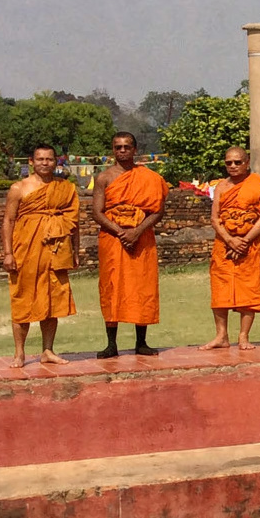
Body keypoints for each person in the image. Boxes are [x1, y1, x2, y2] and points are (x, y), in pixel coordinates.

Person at [2, 143, 82, 367]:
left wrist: (75, 250)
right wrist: (8, 253)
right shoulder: (19, 188)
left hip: (56, 250)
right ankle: (19, 353)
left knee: (52, 300)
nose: (45, 163)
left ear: (56, 161)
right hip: (25, 249)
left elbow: (74, 222)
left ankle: (48, 350)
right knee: (22, 299)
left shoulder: (65, 188)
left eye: (49, 159)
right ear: (31, 162)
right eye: (40, 159)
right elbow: (8, 221)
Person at [91, 131, 166, 358]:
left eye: (126, 147)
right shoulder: (104, 178)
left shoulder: (149, 177)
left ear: (135, 150)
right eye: (118, 147)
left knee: (142, 286)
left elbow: (158, 211)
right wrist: (121, 232)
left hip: (141, 237)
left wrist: (137, 231)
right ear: (112, 150)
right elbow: (97, 212)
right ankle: (111, 344)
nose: (122, 151)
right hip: (113, 239)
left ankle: (141, 342)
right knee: (112, 286)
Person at [203, 146, 260, 350]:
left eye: (238, 162)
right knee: (220, 289)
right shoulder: (221, 187)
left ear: (247, 161)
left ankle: (244, 336)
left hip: (250, 245)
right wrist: (230, 240)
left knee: (249, 288)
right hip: (224, 245)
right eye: (229, 163)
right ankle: (221, 335)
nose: (233, 166)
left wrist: (244, 240)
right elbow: (215, 219)